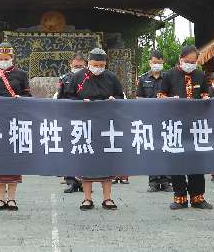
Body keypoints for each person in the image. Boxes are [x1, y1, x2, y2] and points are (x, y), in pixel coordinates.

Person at [61, 47, 125, 211]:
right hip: (85, 125)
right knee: (86, 161)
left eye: (101, 65)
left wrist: (113, 99)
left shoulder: (111, 77)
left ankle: (107, 198)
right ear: (88, 63)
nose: (98, 68)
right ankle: (87, 198)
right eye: (95, 65)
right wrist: (80, 103)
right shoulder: (78, 77)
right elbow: (68, 97)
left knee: (106, 162)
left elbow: (120, 96)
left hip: (106, 125)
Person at [157, 45, 213, 210]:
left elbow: (205, 94)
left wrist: (205, 99)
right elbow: (160, 96)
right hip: (175, 125)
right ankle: (180, 197)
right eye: (187, 61)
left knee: (197, 161)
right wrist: (172, 100)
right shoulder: (169, 75)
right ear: (180, 59)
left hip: (196, 125)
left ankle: (197, 197)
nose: (190, 64)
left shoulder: (200, 75)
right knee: (177, 161)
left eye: (193, 62)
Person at [0, 42, 31, 211]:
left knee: (13, 160)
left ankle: (12, 199)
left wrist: (20, 98)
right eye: (0, 58)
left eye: (6, 58)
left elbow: (28, 95)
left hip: (14, 122)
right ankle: (0, 198)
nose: (3, 61)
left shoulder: (21, 74)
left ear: (12, 58)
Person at [137, 50, 170, 193]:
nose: (157, 65)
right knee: (152, 149)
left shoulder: (168, 77)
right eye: (154, 62)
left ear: (163, 62)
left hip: (166, 118)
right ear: (150, 62)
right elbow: (139, 98)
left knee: (166, 149)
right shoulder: (143, 79)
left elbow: (174, 96)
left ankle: (166, 181)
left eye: (159, 62)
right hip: (150, 119)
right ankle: (154, 181)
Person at [58, 52, 87, 194]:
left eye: (80, 66)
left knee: (85, 149)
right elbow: (60, 98)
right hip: (69, 118)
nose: (78, 68)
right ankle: (71, 181)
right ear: (70, 65)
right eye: (76, 66)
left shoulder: (90, 78)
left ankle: (85, 181)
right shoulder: (64, 79)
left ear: (85, 65)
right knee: (70, 149)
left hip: (87, 118)